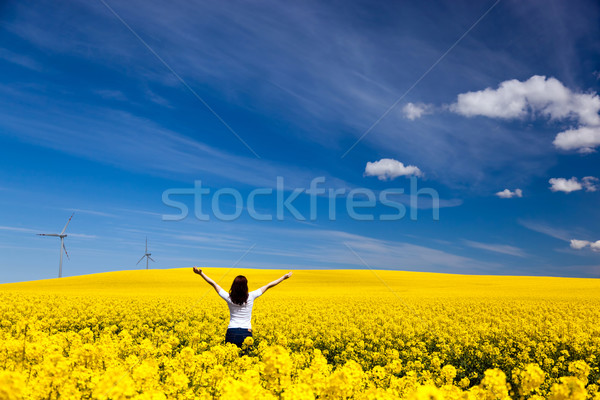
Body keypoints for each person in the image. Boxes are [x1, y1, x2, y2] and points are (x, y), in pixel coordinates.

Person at [193, 267, 292, 347]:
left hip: (232, 331)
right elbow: (268, 285)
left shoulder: (229, 297)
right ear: (246, 286)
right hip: (246, 332)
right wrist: (284, 277)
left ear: (233, 286)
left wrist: (201, 274)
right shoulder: (251, 296)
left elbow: (214, 284)